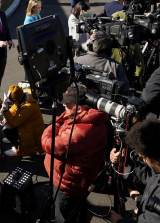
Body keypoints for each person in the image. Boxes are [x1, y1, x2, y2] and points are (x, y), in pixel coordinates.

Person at [42, 84, 108, 223]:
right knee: (77, 208)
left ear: (80, 106)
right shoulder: (89, 118)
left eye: (68, 102)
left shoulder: (80, 132)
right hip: (77, 181)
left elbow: (48, 144)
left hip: (68, 184)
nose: (64, 104)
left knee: (64, 215)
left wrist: (54, 125)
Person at [1, 84, 45, 157]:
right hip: (28, 126)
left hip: (32, 133)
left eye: (14, 101)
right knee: (5, 118)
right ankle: (14, 139)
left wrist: (6, 111)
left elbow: (13, 124)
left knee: (6, 129)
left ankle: (17, 147)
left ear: (19, 99)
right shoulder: (23, 96)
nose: (13, 103)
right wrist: (6, 116)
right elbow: (13, 108)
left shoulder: (28, 107)